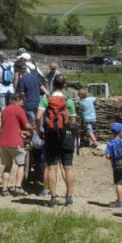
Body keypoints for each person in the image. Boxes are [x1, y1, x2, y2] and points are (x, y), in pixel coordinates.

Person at [38, 74, 76, 206]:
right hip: (67, 136)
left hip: (51, 136)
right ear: (64, 85)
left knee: (52, 167)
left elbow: (38, 117)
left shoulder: (46, 98)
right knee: (68, 167)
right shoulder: (68, 100)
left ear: (53, 84)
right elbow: (73, 121)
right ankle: (69, 197)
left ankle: (53, 197)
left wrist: (39, 131)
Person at [0, 92, 32, 196]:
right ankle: (18, 186)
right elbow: (27, 125)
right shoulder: (19, 110)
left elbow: (6, 125)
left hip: (3, 142)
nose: (23, 104)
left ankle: (4, 189)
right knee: (21, 164)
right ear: (19, 100)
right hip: (15, 141)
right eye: (23, 101)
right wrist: (32, 130)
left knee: (7, 166)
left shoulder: (4, 110)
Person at [105, 122, 122, 207]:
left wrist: (111, 157)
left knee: (118, 183)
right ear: (121, 132)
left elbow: (107, 156)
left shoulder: (110, 144)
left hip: (116, 166)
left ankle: (120, 202)